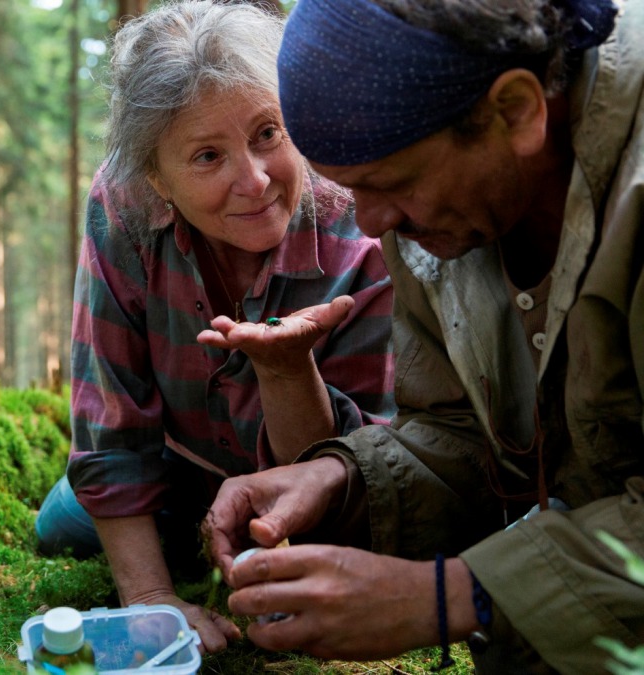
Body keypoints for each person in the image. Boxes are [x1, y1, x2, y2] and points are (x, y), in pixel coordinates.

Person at [204, 0, 644, 671]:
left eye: (391, 183)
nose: (375, 225)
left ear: (516, 111)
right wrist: (340, 478)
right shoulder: (441, 214)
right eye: (352, 192)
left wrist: (446, 597)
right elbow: (463, 433)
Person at [33, 0, 397, 654]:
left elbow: (366, 470)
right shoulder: (122, 205)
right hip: (178, 471)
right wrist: (149, 600)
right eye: (207, 155)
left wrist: (287, 370)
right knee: (62, 525)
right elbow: (110, 422)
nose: (254, 181)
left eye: (267, 133)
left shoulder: (360, 217)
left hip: (316, 495)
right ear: (156, 178)